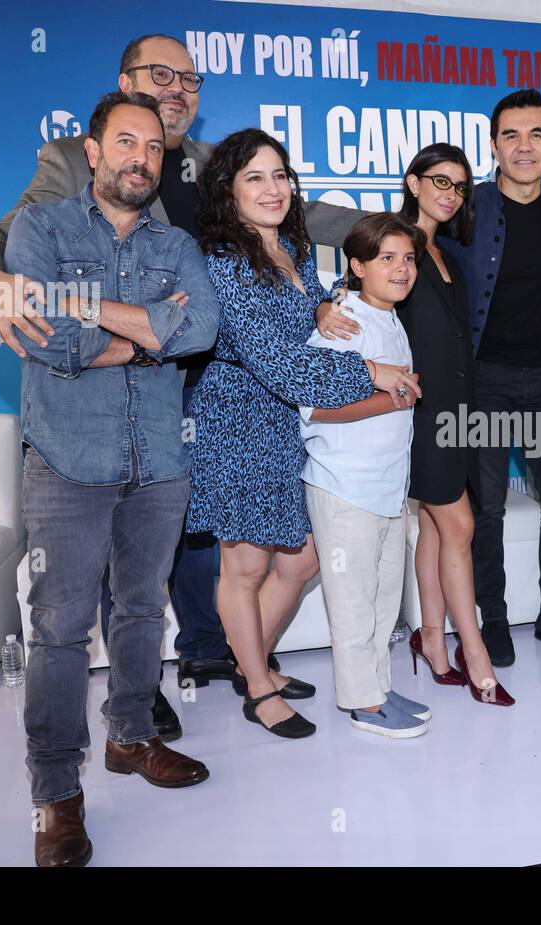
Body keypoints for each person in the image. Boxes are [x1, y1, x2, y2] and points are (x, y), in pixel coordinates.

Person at [0, 35, 371, 735]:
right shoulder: (68, 161)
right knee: (99, 572)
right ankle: (133, 702)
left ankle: (210, 656)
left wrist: (402, 226)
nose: (177, 89)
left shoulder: (212, 167)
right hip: (109, 404)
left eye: (189, 79)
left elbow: (297, 229)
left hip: (198, 378)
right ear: (121, 92)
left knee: (181, 546)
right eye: (160, 75)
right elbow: (3, 240)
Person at [5, 92, 221, 867]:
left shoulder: (177, 242)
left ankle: (130, 735)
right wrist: (146, 331)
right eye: (124, 143)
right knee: (60, 631)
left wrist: (92, 304)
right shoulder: (40, 228)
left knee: (140, 609)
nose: (141, 157)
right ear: (92, 153)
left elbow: (200, 329)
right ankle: (56, 793)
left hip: (159, 458)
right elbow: (47, 340)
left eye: (154, 147)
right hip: (67, 457)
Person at [186, 131, 420, 738]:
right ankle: (258, 687)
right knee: (245, 565)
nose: (272, 189)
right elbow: (283, 365)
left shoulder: (289, 246)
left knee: (303, 556)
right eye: (255, 178)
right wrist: (374, 370)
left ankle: (251, 658)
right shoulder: (227, 260)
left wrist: (321, 306)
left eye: (279, 176)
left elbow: (316, 313)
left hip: (290, 428)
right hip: (241, 420)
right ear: (228, 190)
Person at [320, 145, 514, 703]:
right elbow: (358, 292)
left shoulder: (450, 247)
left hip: (459, 407)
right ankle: (473, 655)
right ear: (412, 182)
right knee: (458, 526)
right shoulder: (395, 242)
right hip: (420, 407)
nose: (449, 194)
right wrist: (325, 305)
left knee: (433, 528)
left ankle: (431, 639)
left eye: (459, 186)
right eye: (439, 181)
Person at [442, 89, 541, 666]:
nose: (524, 146)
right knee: (486, 508)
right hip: (483, 382)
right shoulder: (470, 206)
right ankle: (493, 620)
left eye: (536, 134)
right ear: (494, 145)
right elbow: (403, 248)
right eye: (511, 135)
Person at [301, 214, 434, 737]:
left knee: (383, 597)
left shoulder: (390, 317)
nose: (401, 269)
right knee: (353, 598)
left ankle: (377, 685)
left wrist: (395, 396)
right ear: (356, 266)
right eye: (387, 259)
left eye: (407, 258)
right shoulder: (344, 320)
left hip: (386, 486)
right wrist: (392, 397)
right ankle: (361, 702)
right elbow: (312, 409)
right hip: (344, 484)